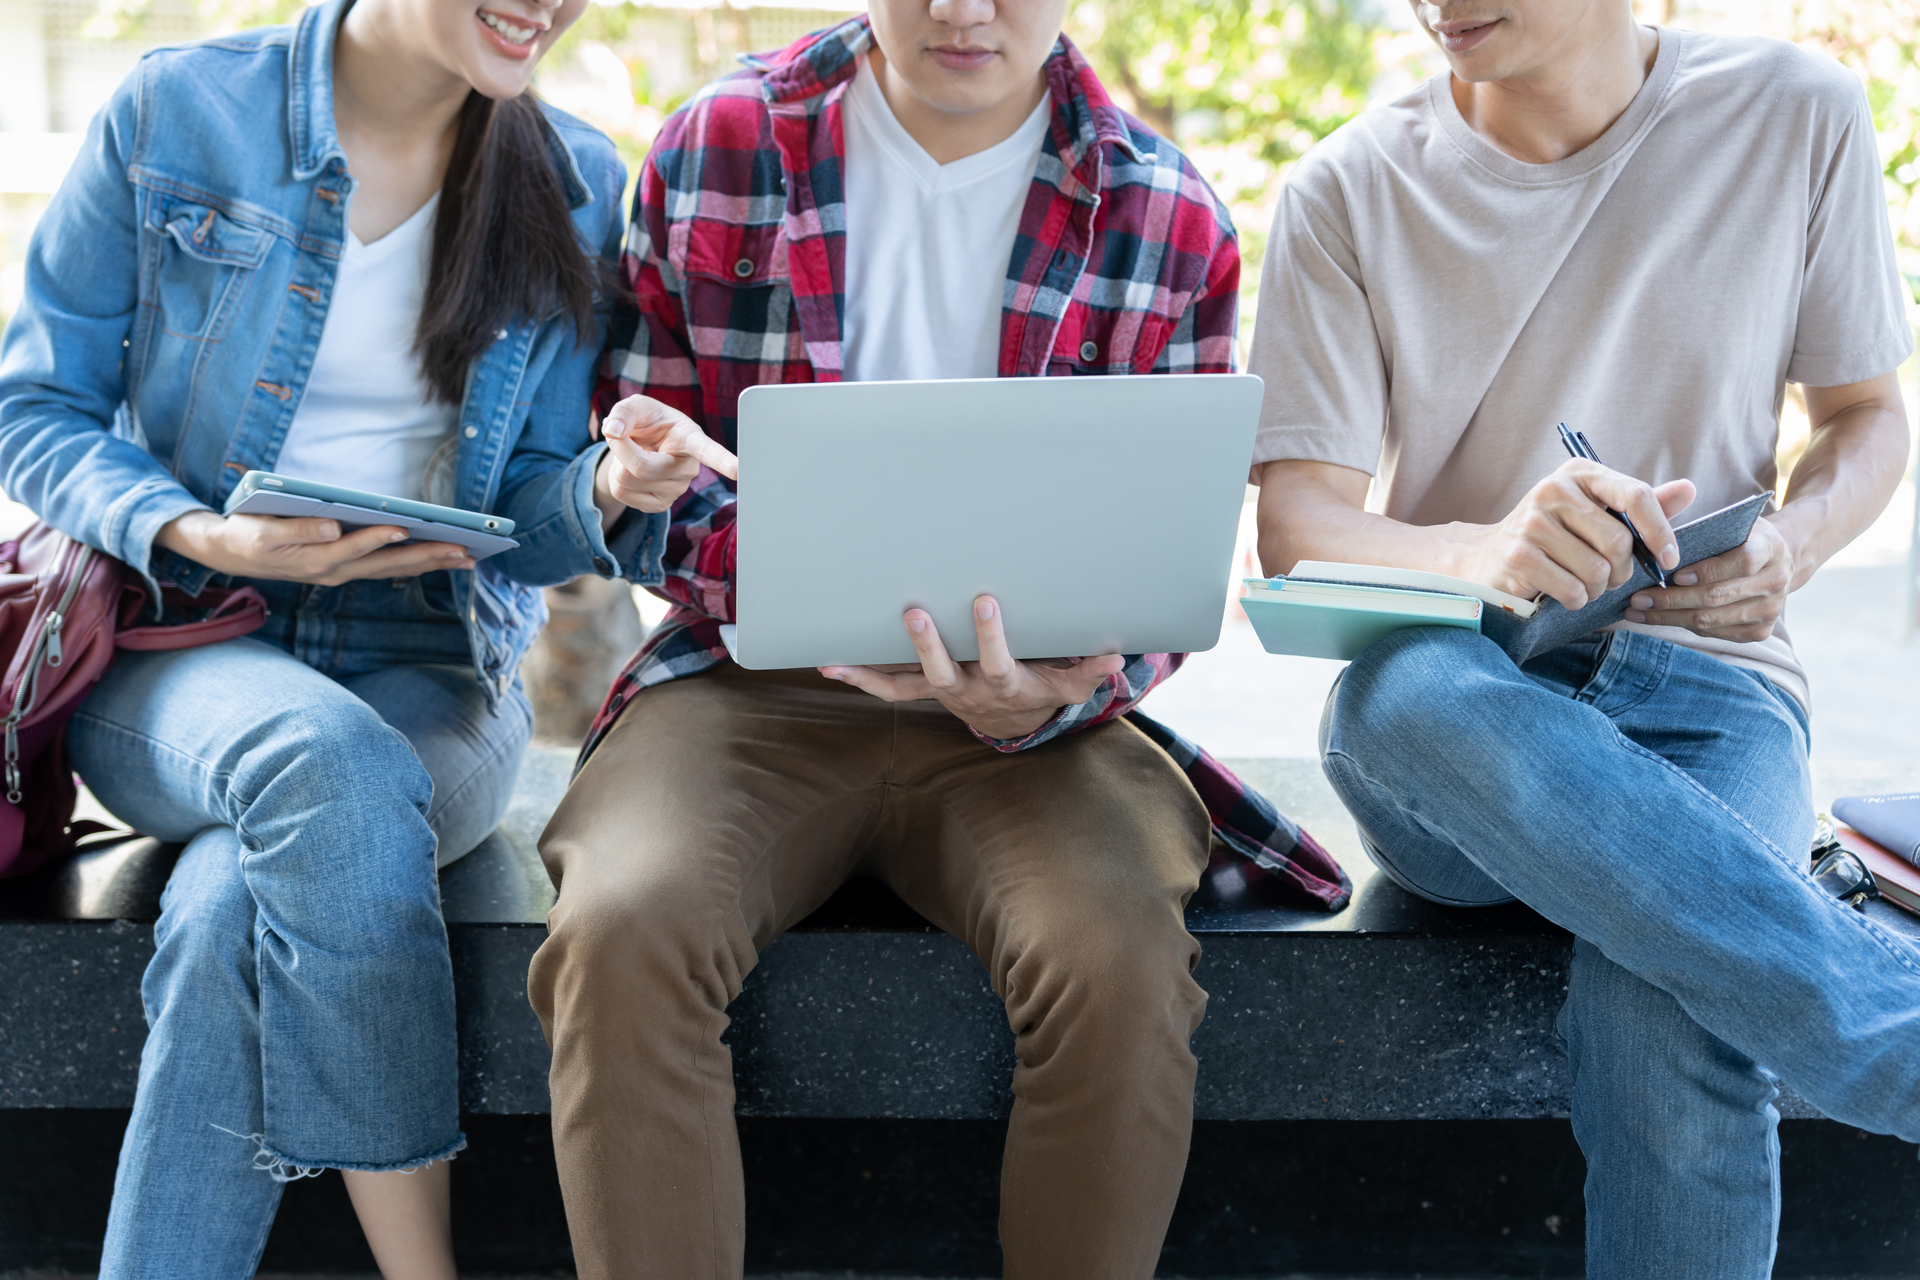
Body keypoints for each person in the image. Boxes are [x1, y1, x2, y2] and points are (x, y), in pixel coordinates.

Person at [526, 0, 1346, 1273]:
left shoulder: (1167, 211)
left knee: (1118, 949)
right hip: (749, 687)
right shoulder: (720, 145)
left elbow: (1169, 555)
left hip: (1033, 729)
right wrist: (719, 528)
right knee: (621, 923)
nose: (965, 11)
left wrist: (1069, 682)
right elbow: (643, 483)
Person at [0, 0, 724, 1272]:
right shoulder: (180, 112)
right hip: (187, 641)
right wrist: (196, 532)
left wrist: (606, 491)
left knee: (231, 899)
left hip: (431, 660)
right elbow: (36, 409)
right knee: (315, 763)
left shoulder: (571, 176)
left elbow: (536, 521)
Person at [1250, 0, 1919, 1275]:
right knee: (1396, 694)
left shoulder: (1797, 115)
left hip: (1713, 687)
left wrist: (1796, 540)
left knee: (1665, 1018)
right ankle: (1895, 1034)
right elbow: (1295, 519)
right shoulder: (1345, 185)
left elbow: (1865, 416)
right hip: (1468, 693)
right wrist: (1478, 551)